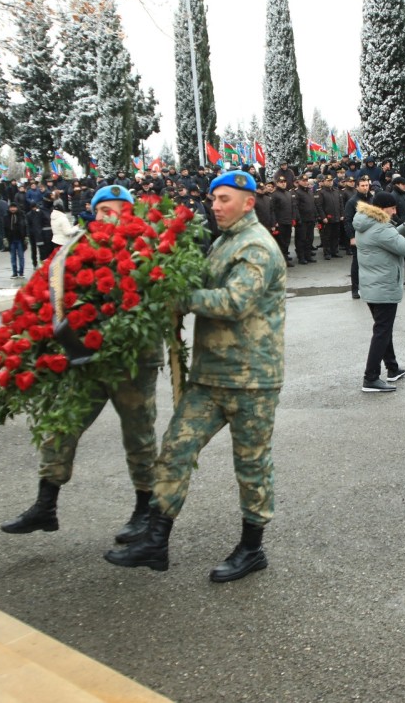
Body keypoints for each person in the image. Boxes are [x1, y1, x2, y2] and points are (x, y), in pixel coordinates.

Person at [104, 170, 285, 583]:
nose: (215, 206)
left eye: (224, 199)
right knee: (175, 449)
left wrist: (178, 296)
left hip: (252, 379)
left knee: (252, 464)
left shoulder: (256, 246)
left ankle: (252, 548)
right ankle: (156, 539)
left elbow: (235, 302)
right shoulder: (223, 242)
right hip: (210, 376)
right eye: (213, 199)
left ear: (248, 202)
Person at [0, 185, 161, 546]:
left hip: (132, 361)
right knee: (63, 423)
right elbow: (53, 288)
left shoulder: (147, 248)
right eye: (103, 210)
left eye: (118, 210)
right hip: (86, 358)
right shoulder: (77, 249)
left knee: (138, 436)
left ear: (130, 213)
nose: (110, 216)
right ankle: (46, 504)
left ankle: (145, 509)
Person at [352, 190, 405, 392]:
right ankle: (371, 378)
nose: (394, 212)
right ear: (382, 208)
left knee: (383, 328)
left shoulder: (366, 222)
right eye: (392, 208)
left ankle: (392, 368)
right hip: (383, 286)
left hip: (372, 286)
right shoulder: (380, 228)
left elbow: (389, 238)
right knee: (382, 331)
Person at [5, 200, 27, 277]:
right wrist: (5, 238)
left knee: (21, 256)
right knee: (13, 257)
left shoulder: (21, 215)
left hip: (20, 239)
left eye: (14, 207)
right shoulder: (7, 216)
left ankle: (21, 272)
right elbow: (4, 228)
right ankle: (14, 272)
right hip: (11, 239)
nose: (13, 209)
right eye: (11, 208)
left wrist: (26, 236)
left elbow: (25, 226)